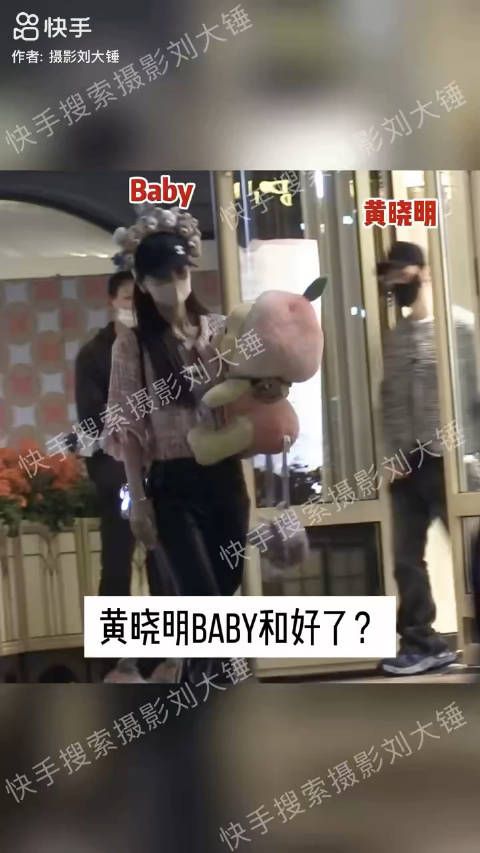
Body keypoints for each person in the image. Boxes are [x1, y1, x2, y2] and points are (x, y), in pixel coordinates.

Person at [105, 207, 251, 683]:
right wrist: (138, 500)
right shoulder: (132, 345)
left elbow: (248, 389)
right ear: (143, 284)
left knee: (222, 592)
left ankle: (196, 688)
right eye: (162, 277)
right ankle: (218, 689)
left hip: (225, 479)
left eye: (181, 272)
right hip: (172, 484)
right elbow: (128, 427)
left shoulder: (219, 331)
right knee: (203, 600)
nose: (174, 284)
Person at [378, 241, 480, 676]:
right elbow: (390, 400)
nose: (395, 283)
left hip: (450, 461)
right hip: (407, 463)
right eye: (389, 276)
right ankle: (421, 642)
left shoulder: (460, 327)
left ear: (423, 272)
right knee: (406, 558)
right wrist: (391, 454)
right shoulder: (396, 336)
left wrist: (472, 456)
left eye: (401, 273)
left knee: (472, 549)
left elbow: (474, 394)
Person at [74, 270, 163, 600]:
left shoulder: (156, 345)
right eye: (127, 298)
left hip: (158, 463)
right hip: (114, 467)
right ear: (112, 301)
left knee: (162, 559)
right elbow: (91, 417)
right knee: (116, 561)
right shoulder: (93, 353)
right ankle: (112, 631)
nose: (134, 305)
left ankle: (168, 630)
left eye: (140, 298)